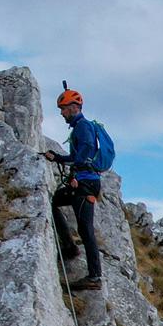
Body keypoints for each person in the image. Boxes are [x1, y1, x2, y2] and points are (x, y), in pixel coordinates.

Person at [44, 88, 102, 289]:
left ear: (74, 107)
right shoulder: (81, 127)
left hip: (85, 184)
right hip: (85, 181)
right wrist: (58, 158)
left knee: (86, 230)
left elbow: (85, 151)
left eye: (63, 109)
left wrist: (75, 174)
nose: (61, 113)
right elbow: (79, 155)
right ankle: (69, 247)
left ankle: (94, 277)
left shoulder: (83, 127)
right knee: (53, 202)